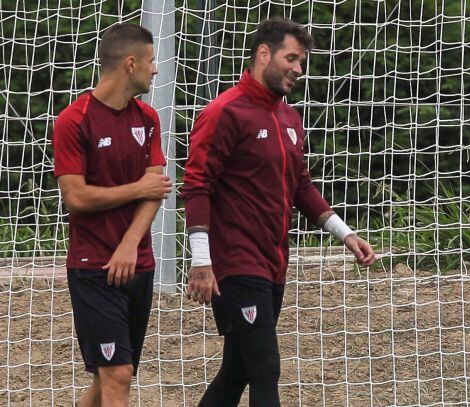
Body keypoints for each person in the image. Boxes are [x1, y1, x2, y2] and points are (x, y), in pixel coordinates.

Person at [181, 17, 377, 406]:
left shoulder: (289, 117)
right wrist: (201, 260)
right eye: (291, 58)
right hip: (235, 263)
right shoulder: (225, 111)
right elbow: (197, 185)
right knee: (265, 368)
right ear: (263, 54)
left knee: (237, 371)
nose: (299, 69)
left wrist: (346, 234)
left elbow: (301, 185)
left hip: (273, 262)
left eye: (302, 61)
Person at [53, 23, 171, 407]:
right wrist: (137, 188)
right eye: (151, 61)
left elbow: (157, 189)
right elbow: (76, 197)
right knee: (117, 375)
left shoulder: (148, 118)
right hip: (93, 268)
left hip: (138, 262)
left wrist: (130, 244)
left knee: (111, 376)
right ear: (130, 64)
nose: (156, 69)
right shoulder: (74, 120)